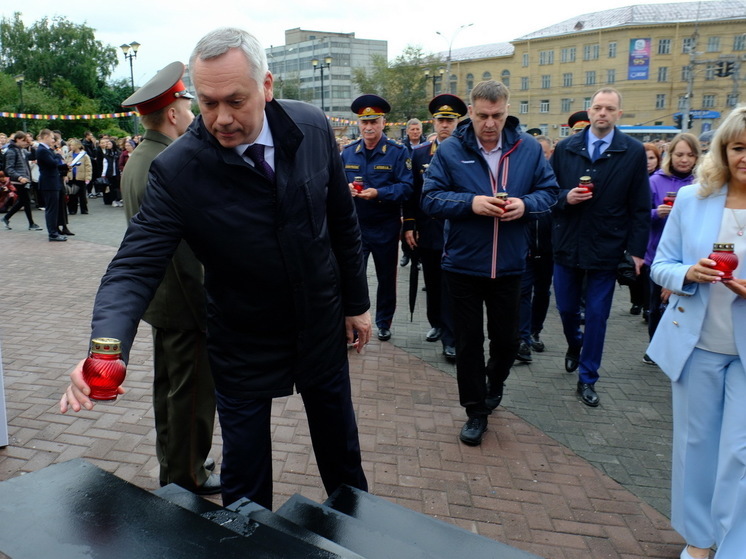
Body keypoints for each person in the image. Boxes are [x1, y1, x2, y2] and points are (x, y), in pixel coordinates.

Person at [60, 27, 371, 511]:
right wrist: (105, 348)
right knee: (245, 482)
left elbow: (341, 222)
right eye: (207, 103)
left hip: (320, 324)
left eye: (235, 100)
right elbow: (133, 267)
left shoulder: (310, 128)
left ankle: (362, 530)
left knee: (343, 459)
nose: (221, 119)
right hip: (241, 337)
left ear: (266, 87)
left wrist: (356, 304)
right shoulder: (180, 169)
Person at [421, 80, 558, 446]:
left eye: (497, 115)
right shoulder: (451, 151)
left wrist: (525, 205)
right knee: (468, 343)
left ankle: (494, 383)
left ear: (507, 109)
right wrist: (471, 203)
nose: (490, 123)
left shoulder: (527, 148)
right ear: (471, 111)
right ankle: (475, 410)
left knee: (508, 341)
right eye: (482, 115)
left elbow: (550, 194)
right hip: (463, 265)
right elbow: (431, 198)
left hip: (512, 265)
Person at [646, 104, 746, 559]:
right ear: (723, 150)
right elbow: (660, 266)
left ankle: (733, 544)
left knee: (739, 455)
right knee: (696, 446)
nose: (745, 157)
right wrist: (689, 272)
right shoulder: (693, 199)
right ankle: (698, 540)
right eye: (738, 147)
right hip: (698, 346)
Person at [119, 61, 219, 495]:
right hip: (184, 303)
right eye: (188, 105)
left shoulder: (140, 158)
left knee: (170, 389)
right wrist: (205, 311)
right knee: (192, 397)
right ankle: (187, 475)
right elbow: (184, 255)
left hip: (162, 301)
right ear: (174, 113)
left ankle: (178, 459)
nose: (193, 114)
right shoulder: (168, 163)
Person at [551, 87, 650, 407]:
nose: (603, 113)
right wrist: (566, 197)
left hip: (607, 248)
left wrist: (636, 252)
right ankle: (574, 345)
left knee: (596, 315)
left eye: (609, 108)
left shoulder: (632, 151)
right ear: (589, 111)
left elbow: (639, 206)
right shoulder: (566, 148)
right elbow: (546, 193)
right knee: (566, 309)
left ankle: (588, 377)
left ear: (619, 114)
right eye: (597, 107)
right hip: (567, 244)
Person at [341, 94, 412, 341]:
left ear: (383, 122)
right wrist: (346, 190)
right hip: (356, 226)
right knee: (351, 274)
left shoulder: (397, 152)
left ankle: (383, 321)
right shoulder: (348, 153)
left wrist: (379, 193)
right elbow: (334, 184)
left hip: (385, 225)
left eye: (374, 122)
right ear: (358, 124)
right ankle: (351, 319)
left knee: (385, 277)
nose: (369, 127)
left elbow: (407, 187)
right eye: (364, 122)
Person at [402, 94, 468, 362]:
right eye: (441, 120)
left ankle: (451, 337)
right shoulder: (419, 154)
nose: (445, 125)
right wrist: (409, 226)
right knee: (431, 279)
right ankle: (437, 324)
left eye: (450, 120)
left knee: (452, 284)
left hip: (458, 230)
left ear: (457, 122)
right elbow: (411, 193)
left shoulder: (466, 151)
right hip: (428, 229)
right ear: (434, 122)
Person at [641, 133, 700, 366]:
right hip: (659, 255)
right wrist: (657, 213)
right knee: (657, 306)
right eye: (679, 154)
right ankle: (655, 347)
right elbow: (639, 215)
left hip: (693, 258)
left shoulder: (701, 183)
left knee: (687, 306)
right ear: (670, 155)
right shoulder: (655, 181)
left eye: (690, 155)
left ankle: (683, 350)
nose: (684, 160)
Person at [517, 134, 555, 363]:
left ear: (550, 154)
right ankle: (522, 339)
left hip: (550, 248)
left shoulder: (554, 179)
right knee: (523, 291)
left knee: (542, 292)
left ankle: (535, 331)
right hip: (527, 245)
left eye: (544, 152)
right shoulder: (523, 176)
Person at [2, 131, 43, 231]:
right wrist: (19, 177)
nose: (26, 143)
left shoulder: (21, 150)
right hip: (19, 180)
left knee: (23, 201)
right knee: (26, 201)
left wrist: (32, 146)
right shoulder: (12, 151)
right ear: (18, 139)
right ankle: (31, 224)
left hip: (24, 179)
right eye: (24, 141)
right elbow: (9, 168)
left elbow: (32, 156)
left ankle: (6, 218)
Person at [35, 129, 69, 242]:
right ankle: (52, 233)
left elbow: (54, 166)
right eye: (51, 137)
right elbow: (52, 163)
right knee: (51, 209)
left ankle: (55, 231)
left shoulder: (47, 149)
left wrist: (66, 166)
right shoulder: (42, 150)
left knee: (54, 208)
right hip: (49, 183)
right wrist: (58, 156)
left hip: (53, 181)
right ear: (45, 137)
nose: (53, 140)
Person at [65, 139, 92, 215]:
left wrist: (88, 177)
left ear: (78, 146)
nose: (71, 146)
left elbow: (88, 167)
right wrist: (66, 175)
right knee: (72, 194)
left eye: (73, 145)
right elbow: (66, 165)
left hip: (81, 177)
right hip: (71, 177)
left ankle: (84, 209)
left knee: (82, 194)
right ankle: (72, 210)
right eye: (70, 145)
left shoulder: (84, 155)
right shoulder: (69, 154)